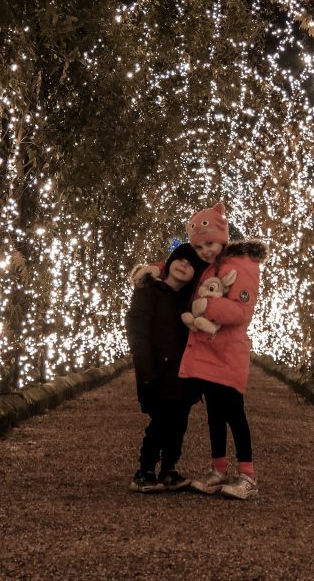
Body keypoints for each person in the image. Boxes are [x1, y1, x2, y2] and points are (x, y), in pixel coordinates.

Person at [176, 202, 268, 501]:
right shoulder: (213, 267)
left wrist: (207, 307)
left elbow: (241, 312)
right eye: (199, 246)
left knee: (233, 413)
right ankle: (218, 470)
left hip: (227, 352)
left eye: (210, 243)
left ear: (224, 238)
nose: (204, 250)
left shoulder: (241, 267)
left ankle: (248, 475)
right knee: (214, 413)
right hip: (209, 351)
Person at [125, 242, 207, 493]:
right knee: (160, 421)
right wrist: (146, 372)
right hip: (157, 371)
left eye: (192, 264)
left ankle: (169, 467)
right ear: (169, 263)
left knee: (179, 421)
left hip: (184, 372)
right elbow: (138, 333)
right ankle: (146, 469)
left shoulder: (191, 301)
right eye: (180, 259)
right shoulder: (149, 292)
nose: (184, 265)